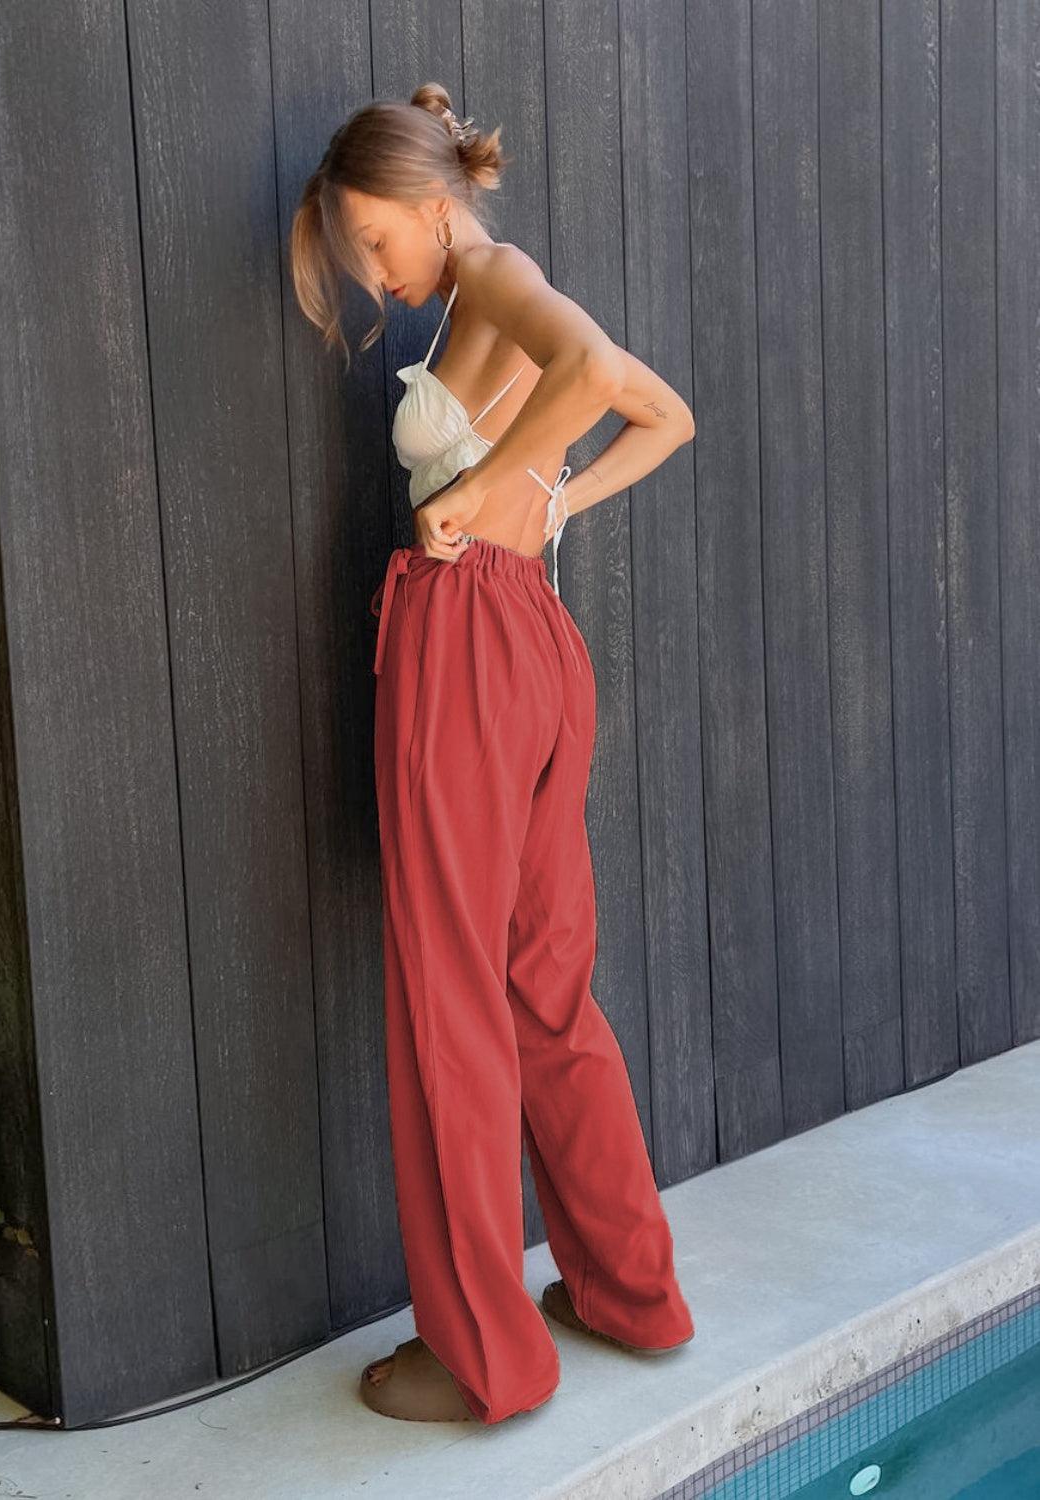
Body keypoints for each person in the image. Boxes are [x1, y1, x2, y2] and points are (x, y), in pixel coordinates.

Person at [290, 82, 697, 1426]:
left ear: (427, 199)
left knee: (450, 1003)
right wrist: (551, 490)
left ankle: (479, 1355)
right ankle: (627, 1291)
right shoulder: (487, 299)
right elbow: (660, 412)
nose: (375, 269)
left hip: (464, 645)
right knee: (539, 992)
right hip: (532, 640)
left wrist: (479, 488)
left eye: (373, 238)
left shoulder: (500, 274)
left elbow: (590, 371)